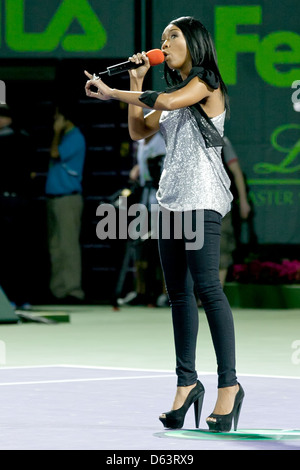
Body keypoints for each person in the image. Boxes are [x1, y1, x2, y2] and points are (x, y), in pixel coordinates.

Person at [84, 16, 244, 432]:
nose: (165, 42)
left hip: (204, 198)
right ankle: (186, 384)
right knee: (178, 295)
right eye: (162, 38)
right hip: (170, 200)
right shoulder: (171, 90)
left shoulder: (205, 82)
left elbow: (170, 105)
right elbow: (140, 130)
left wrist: (110, 92)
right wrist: (137, 82)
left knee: (208, 288)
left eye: (173, 36)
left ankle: (229, 386)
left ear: (194, 41)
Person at [119, 130, 166, 306]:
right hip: (144, 200)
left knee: (162, 248)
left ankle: (166, 293)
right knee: (140, 247)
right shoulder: (140, 143)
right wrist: (139, 168)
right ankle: (141, 291)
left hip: (160, 202)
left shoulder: (161, 142)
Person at [46, 104, 86, 304]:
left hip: (68, 199)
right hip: (54, 198)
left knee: (68, 246)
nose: (55, 122)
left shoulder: (75, 137)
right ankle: (59, 290)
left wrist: (56, 133)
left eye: (56, 118)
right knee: (56, 246)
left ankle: (72, 290)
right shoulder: (65, 137)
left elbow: (55, 153)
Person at [0, 104, 33, 309]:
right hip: (9, 200)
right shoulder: (23, 138)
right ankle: (11, 299)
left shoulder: (20, 139)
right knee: (8, 252)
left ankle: (19, 298)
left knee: (17, 251)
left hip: (16, 201)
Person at [219, 137, 251, 287]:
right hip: (193, 206)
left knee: (222, 248)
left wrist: (243, 201)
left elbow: (236, 172)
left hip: (220, 204)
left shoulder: (221, 139)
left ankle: (214, 295)